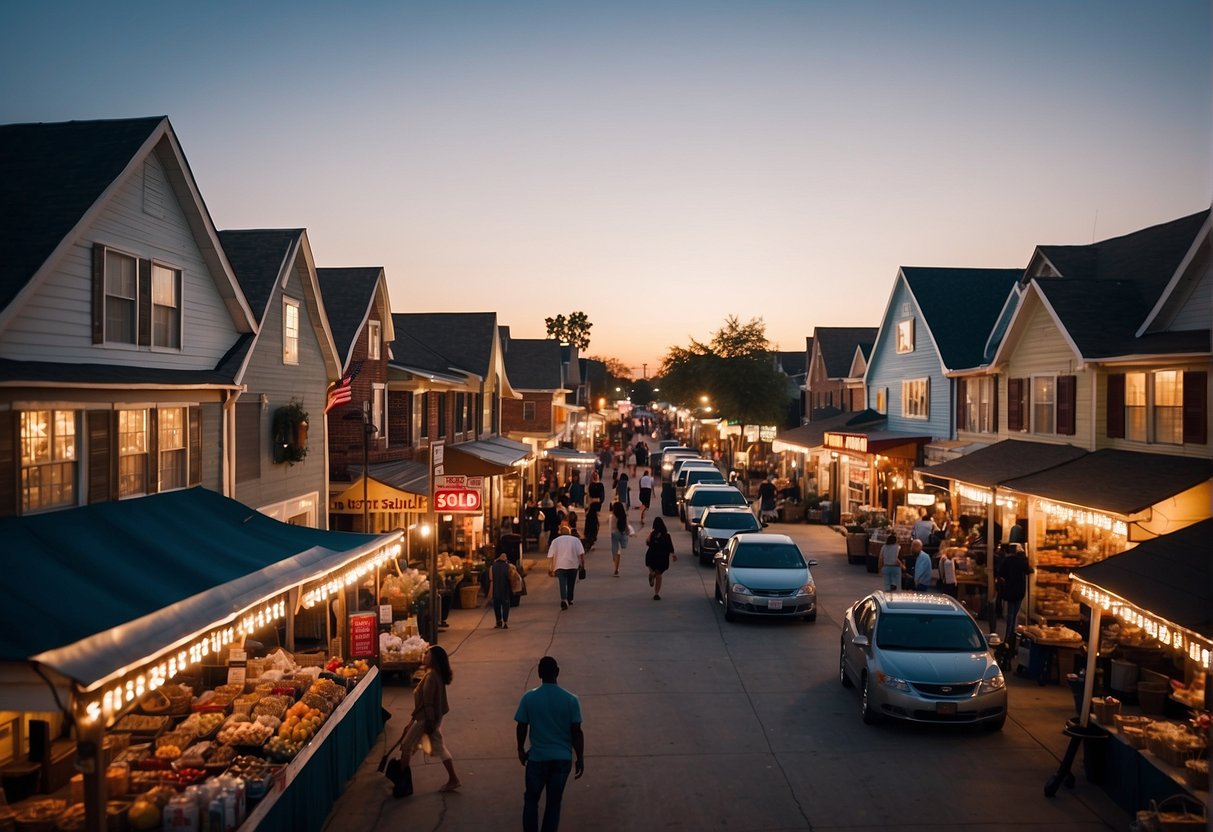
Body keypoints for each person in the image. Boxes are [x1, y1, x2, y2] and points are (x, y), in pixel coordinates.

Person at [515, 656, 584, 832]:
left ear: (539, 674)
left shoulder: (529, 698)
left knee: (531, 800)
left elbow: (522, 726)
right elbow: (576, 732)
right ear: (558, 672)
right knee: (553, 803)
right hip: (562, 760)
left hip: (537, 759)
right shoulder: (571, 700)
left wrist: (520, 749)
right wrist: (580, 758)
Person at [390, 645, 461, 795]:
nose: (424, 655)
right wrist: (412, 722)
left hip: (426, 720)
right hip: (427, 718)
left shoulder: (430, 677)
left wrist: (429, 724)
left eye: (427, 653)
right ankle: (453, 779)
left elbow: (428, 703)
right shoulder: (435, 674)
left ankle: (403, 783)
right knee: (438, 747)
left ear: (433, 658)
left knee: (406, 746)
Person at [998, 543, 1033, 643]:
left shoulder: (1006, 561)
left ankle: (1008, 636)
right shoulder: (1021, 561)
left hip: (1009, 590)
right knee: (1015, 613)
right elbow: (1030, 570)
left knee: (1010, 613)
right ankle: (1012, 634)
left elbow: (1001, 574)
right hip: (1019, 591)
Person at [547, 523, 585, 611]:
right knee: (571, 583)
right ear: (570, 532)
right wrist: (582, 565)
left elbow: (550, 556)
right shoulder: (576, 540)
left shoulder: (555, 541)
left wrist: (550, 568)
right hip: (573, 565)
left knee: (562, 583)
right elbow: (581, 554)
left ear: (560, 532)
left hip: (560, 566)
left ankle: (563, 599)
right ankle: (570, 599)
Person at [643, 517, 676, 600]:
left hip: (652, 556)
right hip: (662, 557)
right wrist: (673, 554)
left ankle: (652, 574)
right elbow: (670, 546)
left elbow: (647, 542)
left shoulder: (652, 533)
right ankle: (656, 593)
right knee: (659, 575)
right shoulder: (667, 535)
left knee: (651, 568)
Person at [486, 549, 517, 628]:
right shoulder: (509, 567)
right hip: (505, 590)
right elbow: (512, 579)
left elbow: (490, 578)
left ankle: (498, 621)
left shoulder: (493, 566)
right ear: (505, 558)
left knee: (497, 605)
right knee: (505, 605)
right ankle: (505, 622)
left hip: (496, 590)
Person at [609, 501, 629, 577]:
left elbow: (611, 527)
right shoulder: (624, 516)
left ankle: (616, 568)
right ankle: (616, 567)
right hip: (622, 533)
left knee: (615, 551)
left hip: (614, 534)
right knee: (623, 546)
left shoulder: (612, 516)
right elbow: (626, 526)